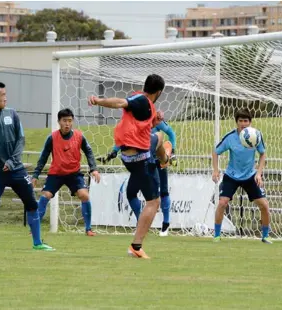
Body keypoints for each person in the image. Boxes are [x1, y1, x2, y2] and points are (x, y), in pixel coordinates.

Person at [88, 74, 169, 259]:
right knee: (154, 202)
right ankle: (136, 246)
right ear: (159, 92)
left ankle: (164, 160)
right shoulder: (142, 100)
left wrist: (153, 122)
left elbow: (139, 124)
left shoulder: (144, 102)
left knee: (159, 138)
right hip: (138, 159)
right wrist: (98, 100)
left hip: (134, 154)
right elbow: (120, 103)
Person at [0, 79, 54, 251]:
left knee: (31, 202)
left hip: (16, 169)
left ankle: (37, 243)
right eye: (3, 95)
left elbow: (20, 139)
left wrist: (12, 161)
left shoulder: (12, 114)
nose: (6, 99)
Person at [101, 118, 177, 236]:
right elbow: (123, 140)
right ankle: (140, 223)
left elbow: (171, 133)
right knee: (131, 193)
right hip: (143, 164)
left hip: (157, 161)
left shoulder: (155, 120)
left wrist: (173, 152)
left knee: (163, 191)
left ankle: (165, 224)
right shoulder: (133, 123)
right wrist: (113, 153)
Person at [32, 108, 101, 236]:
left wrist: (94, 169)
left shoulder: (79, 136)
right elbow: (43, 157)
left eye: (70, 121)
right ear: (59, 122)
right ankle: (34, 229)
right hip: (56, 174)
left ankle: (88, 229)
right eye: (64, 121)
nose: (67, 124)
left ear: (72, 121)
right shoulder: (52, 138)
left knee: (84, 195)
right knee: (45, 196)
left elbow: (89, 152)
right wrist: (35, 174)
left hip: (73, 174)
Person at [212, 108, 271, 244]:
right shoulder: (230, 137)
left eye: (246, 121)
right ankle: (216, 235)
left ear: (250, 122)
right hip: (231, 175)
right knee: (222, 203)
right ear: (236, 122)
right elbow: (216, 152)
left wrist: (259, 173)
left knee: (264, 205)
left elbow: (263, 154)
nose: (243, 123)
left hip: (250, 176)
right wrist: (215, 170)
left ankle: (266, 236)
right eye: (240, 121)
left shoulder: (256, 135)